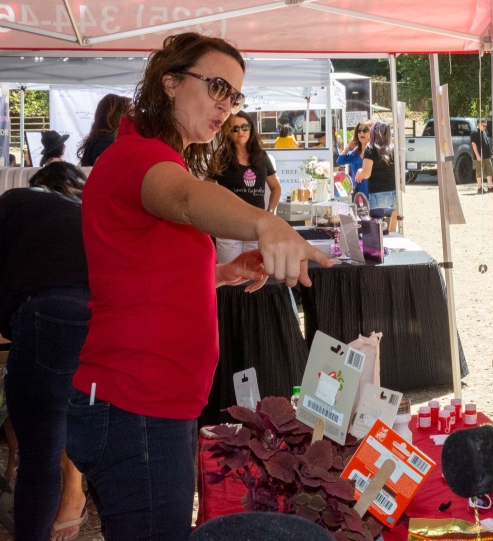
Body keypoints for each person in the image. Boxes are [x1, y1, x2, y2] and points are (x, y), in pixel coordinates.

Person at [66, 33, 333, 541]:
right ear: (169, 83)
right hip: (136, 404)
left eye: (233, 96)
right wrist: (266, 223)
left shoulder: (151, 157)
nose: (225, 105)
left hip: (152, 403)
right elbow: (188, 199)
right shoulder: (137, 158)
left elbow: (142, 276)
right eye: (215, 87)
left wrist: (222, 273)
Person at [0, 163, 92, 541]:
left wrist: (12, 285)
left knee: (40, 456)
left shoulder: (15, 200)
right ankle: (77, 506)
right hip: (109, 321)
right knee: (109, 447)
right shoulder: (91, 213)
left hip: (48, 317)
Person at [211, 113, 281, 264]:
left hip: (256, 225)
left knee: (253, 272)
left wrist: (270, 212)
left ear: (251, 129)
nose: (241, 132)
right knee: (230, 274)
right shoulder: (220, 157)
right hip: (228, 225)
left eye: (245, 127)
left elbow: (275, 187)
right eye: (234, 128)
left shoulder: (262, 156)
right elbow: (206, 187)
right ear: (227, 133)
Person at [78, 95, 133, 166]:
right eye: (129, 113)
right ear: (118, 115)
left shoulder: (100, 137)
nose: (132, 118)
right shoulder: (105, 139)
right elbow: (103, 167)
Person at [359, 120, 398, 210]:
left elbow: (366, 174)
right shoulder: (393, 148)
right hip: (394, 193)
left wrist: (359, 171)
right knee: (390, 224)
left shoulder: (371, 149)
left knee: (377, 223)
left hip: (378, 194)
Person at [337, 120, 371, 199]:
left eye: (365, 130)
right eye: (359, 131)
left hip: (372, 193)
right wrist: (348, 147)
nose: (361, 133)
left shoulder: (375, 152)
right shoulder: (355, 153)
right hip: (358, 194)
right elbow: (340, 161)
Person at [470, 119, 493, 194]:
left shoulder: (483, 132)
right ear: (479, 124)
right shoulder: (474, 132)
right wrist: (477, 155)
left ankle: (490, 187)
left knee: (489, 170)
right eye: (484, 126)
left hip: (486, 155)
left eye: (486, 126)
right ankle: (479, 188)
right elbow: (473, 144)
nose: (485, 127)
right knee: (479, 171)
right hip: (479, 156)